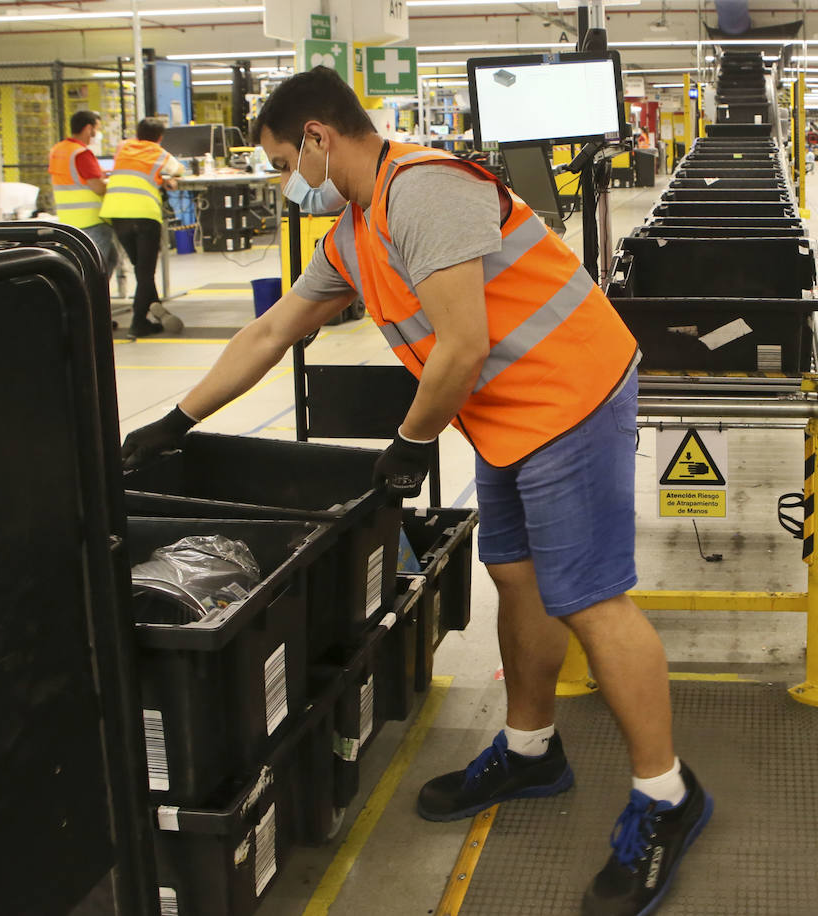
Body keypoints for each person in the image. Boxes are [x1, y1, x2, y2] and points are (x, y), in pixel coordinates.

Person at [119, 66, 711, 916]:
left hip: (570, 395)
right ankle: (532, 748)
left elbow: (463, 344)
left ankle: (668, 796)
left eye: (288, 159)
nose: (289, 181)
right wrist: (173, 421)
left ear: (320, 138)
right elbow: (272, 328)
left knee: (591, 600)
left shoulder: (422, 190)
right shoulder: (355, 229)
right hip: (507, 415)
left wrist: (410, 444)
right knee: (517, 576)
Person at [99, 117, 184, 337]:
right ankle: (138, 323)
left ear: (137, 133)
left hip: (116, 214)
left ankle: (156, 310)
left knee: (141, 268)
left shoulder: (124, 149)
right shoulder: (158, 152)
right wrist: (165, 179)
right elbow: (178, 170)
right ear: (160, 137)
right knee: (145, 272)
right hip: (144, 215)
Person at [48, 110, 116, 279]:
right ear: (88, 128)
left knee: (109, 258)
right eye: (97, 129)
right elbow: (98, 187)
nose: (97, 134)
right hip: (92, 220)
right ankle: (91, 303)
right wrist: (113, 184)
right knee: (95, 269)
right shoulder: (82, 153)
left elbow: (74, 178)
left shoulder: (58, 149)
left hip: (69, 220)